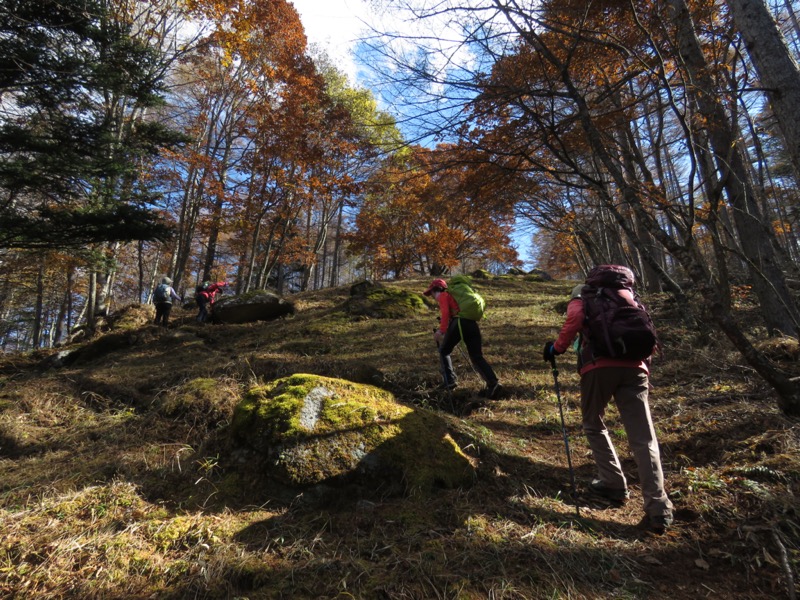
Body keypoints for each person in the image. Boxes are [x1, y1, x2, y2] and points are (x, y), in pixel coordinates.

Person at [543, 269, 674, 533]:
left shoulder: (585, 293)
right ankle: (659, 507)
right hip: (636, 368)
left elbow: (575, 318)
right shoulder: (630, 296)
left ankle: (613, 483)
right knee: (644, 438)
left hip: (598, 366)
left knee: (593, 422)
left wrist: (556, 348)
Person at [424, 278, 501, 399]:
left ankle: (449, 380)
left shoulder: (444, 295)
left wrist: (441, 331)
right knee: (476, 356)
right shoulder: (457, 297)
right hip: (472, 323)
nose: (432, 296)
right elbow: (452, 312)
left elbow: (445, 313)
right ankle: (493, 383)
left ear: (435, 290)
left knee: (444, 351)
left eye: (431, 293)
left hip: (459, 322)